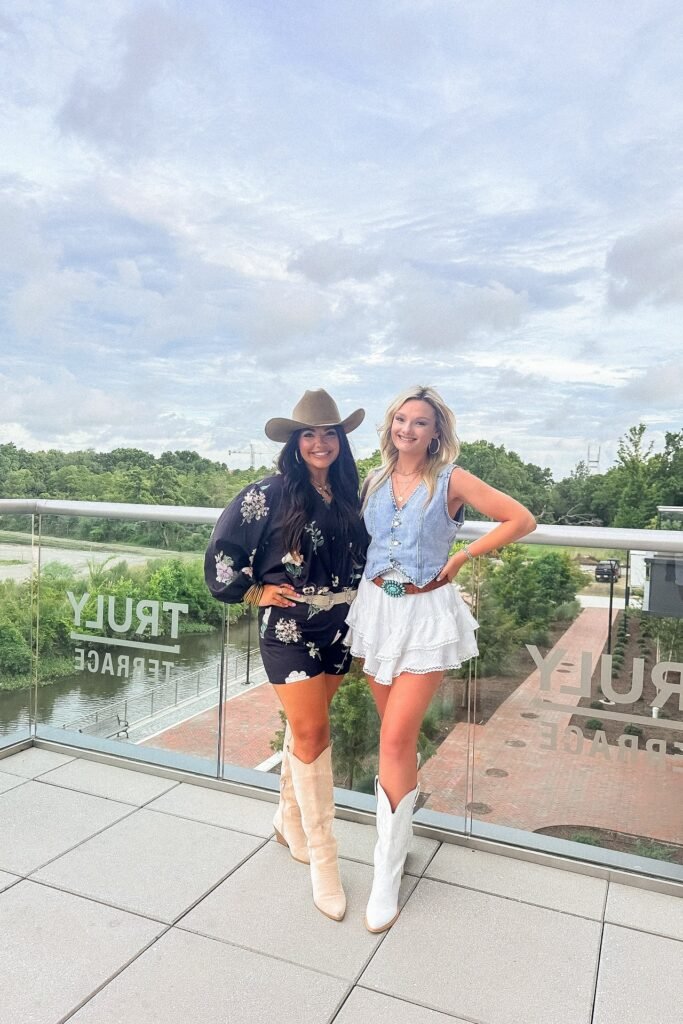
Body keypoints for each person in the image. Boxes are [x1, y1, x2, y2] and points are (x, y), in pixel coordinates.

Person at [345, 385, 536, 932]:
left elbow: (519, 519)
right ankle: (398, 843)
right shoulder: (374, 480)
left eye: (420, 422)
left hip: (426, 616)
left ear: (435, 433)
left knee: (396, 738)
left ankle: (386, 872)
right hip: (376, 609)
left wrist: (462, 556)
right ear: (391, 426)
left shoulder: (451, 478)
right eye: (401, 419)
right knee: (393, 736)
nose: (407, 429)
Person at [205, 389, 368, 922]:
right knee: (316, 734)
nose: (320, 442)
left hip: (341, 627)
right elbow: (223, 557)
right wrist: (255, 592)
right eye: (310, 434)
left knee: (304, 735)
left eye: (329, 433)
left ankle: (286, 821)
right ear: (295, 443)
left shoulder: (352, 495)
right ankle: (325, 858)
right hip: (290, 629)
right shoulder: (266, 494)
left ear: (340, 441)